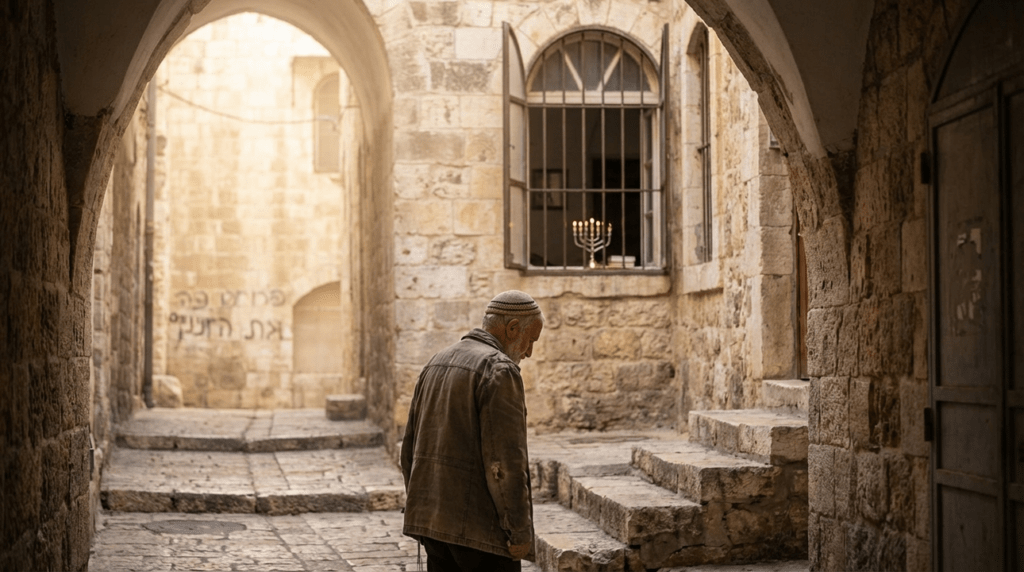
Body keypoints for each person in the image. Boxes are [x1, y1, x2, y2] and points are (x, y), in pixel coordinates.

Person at [400, 290, 544, 571]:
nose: (529, 352)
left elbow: (409, 450)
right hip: (480, 535)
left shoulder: (436, 361)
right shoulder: (499, 369)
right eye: (530, 341)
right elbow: (505, 465)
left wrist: (421, 511)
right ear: (513, 328)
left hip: (434, 528)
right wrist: (520, 533)